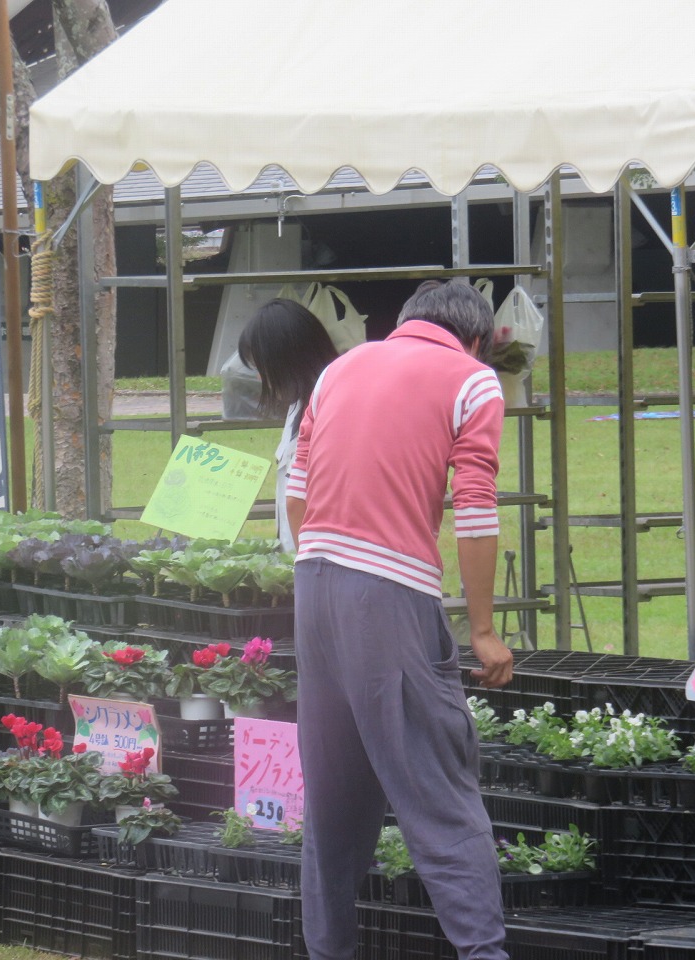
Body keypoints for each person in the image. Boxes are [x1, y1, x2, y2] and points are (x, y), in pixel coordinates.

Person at [286, 279, 514, 960]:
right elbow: (475, 505)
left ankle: (329, 951)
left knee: (332, 803)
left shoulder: (340, 369)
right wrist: (482, 630)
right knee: (439, 790)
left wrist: (327, 565)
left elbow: (297, 490)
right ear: (475, 339)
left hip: (314, 586)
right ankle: (484, 954)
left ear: (407, 323)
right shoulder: (474, 382)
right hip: (389, 594)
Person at [237, 298, 340, 551]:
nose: (261, 377)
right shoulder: (296, 405)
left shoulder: (333, 408)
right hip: (299, 563)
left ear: (286, 359)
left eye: (262, 366)